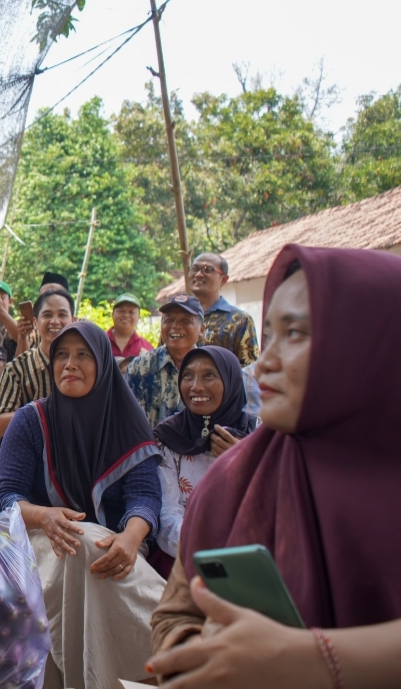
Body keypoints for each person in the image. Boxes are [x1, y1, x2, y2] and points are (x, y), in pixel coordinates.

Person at [149, 244, 401, 688]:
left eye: (297, 333)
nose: (265, 361)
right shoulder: (236, 479)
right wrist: (205, 651)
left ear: (370, 342)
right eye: (270, 334)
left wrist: (312, 659)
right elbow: (173, 615)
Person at [0, 321, 164, 689]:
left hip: (116, 549)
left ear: (103, 363)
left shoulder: (126, 423)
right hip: (41, 547)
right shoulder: (31, 421)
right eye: (62, 355)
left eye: (83, 355)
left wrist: (131, 539)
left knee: (86, 547)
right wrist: (44, 515)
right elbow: (6, 500)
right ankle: (147, 661)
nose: (69, 364)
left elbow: (145, 497)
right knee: (78, 546)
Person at [151, 346, 257, 577]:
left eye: (209, 375)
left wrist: (244, 462)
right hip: (182, 559)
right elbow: (167, 514)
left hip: (248, 558)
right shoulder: (169, 436)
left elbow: (275, 505)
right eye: (188, 375)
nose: (196, 386)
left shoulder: (259, 435)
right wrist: (207, 553)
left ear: (231, 381)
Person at [0, 288, 74, 438]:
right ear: (35, 322)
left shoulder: (82, 367)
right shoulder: (17, 369)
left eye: (62, 315)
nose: (55, 321)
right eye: (47, 315)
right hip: (30, 457)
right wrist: (43, 412)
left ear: (73, 321)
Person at [125, 294, 204, 427]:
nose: (176, 326)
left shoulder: (211, 369)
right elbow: (127, 421)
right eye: (169, 320)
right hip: (149, 447)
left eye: (185, 321)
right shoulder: (140, 367)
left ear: (201, 330)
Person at [189, 252, 259, 366]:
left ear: (223, 279)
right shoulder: (176, 317)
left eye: (207, 269)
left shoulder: (239, 320)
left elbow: (249, 373)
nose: (198, 274)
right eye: (194, 268)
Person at [17, 272, 71, 353]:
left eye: (57, 294)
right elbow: (21, 362)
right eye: (46, 295)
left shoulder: (82, 329)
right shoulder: (33, 331)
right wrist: (22, 336)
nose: (55, 321)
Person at [109, 293, 153, 360]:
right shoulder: (99, 342)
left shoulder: (146, 347)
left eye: (131, 312)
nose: (126, 315)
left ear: (138, 317)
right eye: (121, 311)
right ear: (112, 314)